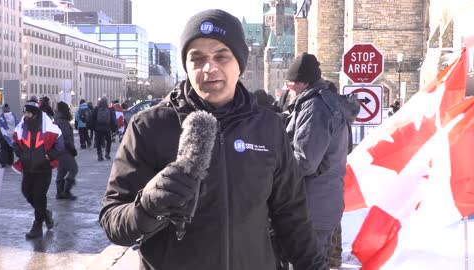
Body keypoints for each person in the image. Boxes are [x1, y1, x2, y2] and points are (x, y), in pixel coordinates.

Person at [99, 9, 327, 270]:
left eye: (222, 56)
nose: (210, 68)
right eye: (197, 59)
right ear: (186, 66)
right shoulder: (149, 126)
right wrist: (148, 206)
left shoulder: (269, 127)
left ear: (239, 64)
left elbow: (293, 217)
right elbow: (112, 221)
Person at [283, 53, 360, 265]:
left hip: (313, 209)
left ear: (302, 82)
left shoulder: (316, 108)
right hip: (318, 205)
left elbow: (305, 161)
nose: (288, 89)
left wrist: (276, 161)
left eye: (290, 84)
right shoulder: (317, 104)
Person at [12, 97, 64, 239]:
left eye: (28, 113)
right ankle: (45, 213)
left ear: (35, 113)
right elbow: (15, 141)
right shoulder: (23, 126)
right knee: (26, 192)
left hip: (43, 169)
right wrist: (20, 154)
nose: (26, 115)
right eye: (25, 113)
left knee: (39, 196)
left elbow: (60, 145)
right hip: (28, 168)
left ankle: (37, 226)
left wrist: (49, 156)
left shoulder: (48, 127)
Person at [325, 80, 360, 269]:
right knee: (334, 218)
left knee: (329, 219)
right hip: (338, 173)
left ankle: (332, 258)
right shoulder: (343, 117)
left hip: (327, 175)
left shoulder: (331, 115)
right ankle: (334, 257)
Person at [54, 101, 78, 200]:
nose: (69, 111)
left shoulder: (58, 120)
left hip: (59, 150)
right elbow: (66, 138)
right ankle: (66, 191)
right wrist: (72, 149)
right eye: (67, 109)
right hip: (65, 150)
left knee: (62, 170)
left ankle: (60, 192)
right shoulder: (62, 122)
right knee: (73, 168)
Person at [0, 104, 19, 168]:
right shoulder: (13, 116)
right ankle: (10, 161)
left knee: (3, 149)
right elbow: (17, 124)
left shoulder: (0, 116)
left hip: (3, 134)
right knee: (10, 149)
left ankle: (3, 162)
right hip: (12, 135)